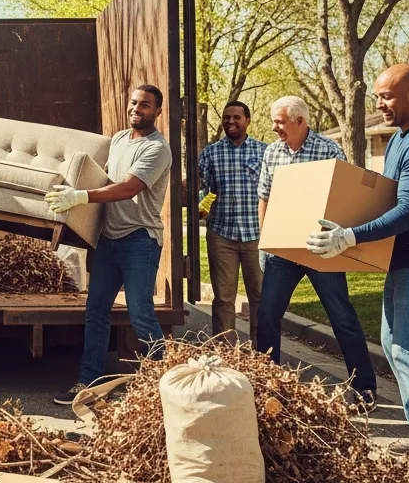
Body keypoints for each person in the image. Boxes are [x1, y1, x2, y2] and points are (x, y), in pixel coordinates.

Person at [305, 65, 409, 479]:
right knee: (396, 347)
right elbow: (387, 195)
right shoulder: (401, 139)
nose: (379, 104)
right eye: (377, 97)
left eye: (387, 97)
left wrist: (350, 236)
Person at [46, 86, 171, 406]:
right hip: (107, 239)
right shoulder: (117, 139)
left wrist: (81, 197)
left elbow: (129, 188)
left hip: (139, 240)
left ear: (157, 112)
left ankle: (165, 385)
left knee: (140, 313)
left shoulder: (158, 149)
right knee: (95, 311)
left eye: (145, 105)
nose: (137, 109)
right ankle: (89, 384)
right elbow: (96, 177)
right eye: (133, 103)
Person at [254, 96, 377, 411]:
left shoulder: (328, 150)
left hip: (322, 249)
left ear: (299, 121)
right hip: (283, 249)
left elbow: (344, 197)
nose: (274, 127)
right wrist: (265, 241)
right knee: (267, 314)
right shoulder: (272, 152)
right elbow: (264, 198)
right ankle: (268, 384)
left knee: (342, 316)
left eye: (279, 122)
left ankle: (364, 388)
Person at [197, 100, 268, 340]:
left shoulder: (264, 151)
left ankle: (262, 355)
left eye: (236, 117)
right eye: (227, 117)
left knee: (259, 297)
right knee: (224, 298)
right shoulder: (210, 153)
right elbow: (202, 190)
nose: (231, 122)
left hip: (256, 235)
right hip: (222, 235)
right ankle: (225, 355)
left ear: (247, 120)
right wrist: (199, 205)